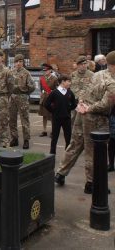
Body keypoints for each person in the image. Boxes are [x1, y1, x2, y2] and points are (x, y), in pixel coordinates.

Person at [77, 50, 115, 193]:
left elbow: (85, 90)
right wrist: (88, 108)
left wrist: (83, 103)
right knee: (97, 151)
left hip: (91, 114)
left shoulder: (97, 74)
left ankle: (92, 183)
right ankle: (95, 183)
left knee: (91, 150)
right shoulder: (110, 81)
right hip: (97, 116)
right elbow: (105, 104)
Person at [55, 56, 94, 186]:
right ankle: (61, 173)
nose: (84, 66)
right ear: (77, 65)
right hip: (76, 111)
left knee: (88, 146)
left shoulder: (93, 76)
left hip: (88, 110)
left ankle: (91, 180)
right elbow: (68, 92)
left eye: (85, 63)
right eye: (81, 64)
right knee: (75, 142)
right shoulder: (72, 76)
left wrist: (83, 100)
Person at [44, 75, 77, 154]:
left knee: (68, 137)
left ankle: (67, 152)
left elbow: (74, 104)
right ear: (63, 81)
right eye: (68, 81)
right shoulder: (54, 92)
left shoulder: (69, 92)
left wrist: (68, 109)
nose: (70, 83)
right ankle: (52, 153)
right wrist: (54, 111)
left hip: (67, 118)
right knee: (55, 137)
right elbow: (47, 104)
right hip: (56, 119)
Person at [9, 54, 35, 149]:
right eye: (17, 62)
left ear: (23, 62)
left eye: (20, 61)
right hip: (12, 97)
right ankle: (14, 138)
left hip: (22, 97)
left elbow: (32, 86)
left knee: (24, 120)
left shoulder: (26, 73)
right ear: (14, 63)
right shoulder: (10, 72)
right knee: (12, 119)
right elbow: (8, 84)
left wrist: (25, 93)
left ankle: (26, 140)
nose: (18, 63)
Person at [38, 63, 58, 137]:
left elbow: (57, 89)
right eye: (44, 71)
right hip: (44, 98)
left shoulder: (55, 78)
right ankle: (44, 130)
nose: (45, 72)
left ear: (50, 70)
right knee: (44, 115)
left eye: (46, 70)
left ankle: (53, 131)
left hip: (51, 98)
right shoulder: (42, 79)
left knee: (52, 116)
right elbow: (41, 89)